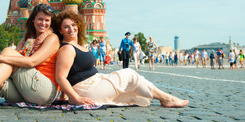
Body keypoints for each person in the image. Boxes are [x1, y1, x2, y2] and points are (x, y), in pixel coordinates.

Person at [55, 10, 189, 108]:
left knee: (137, 96)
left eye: (73, 25)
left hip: (96, 83)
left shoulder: (77, 45)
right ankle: (167, 98)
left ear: (78, 25)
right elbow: (60, 77)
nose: (71, 29)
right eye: (66, 27)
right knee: (129, 74)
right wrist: (76, 98)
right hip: (87, 88)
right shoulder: (67, 49)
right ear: (60, 30)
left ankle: (164, 99)